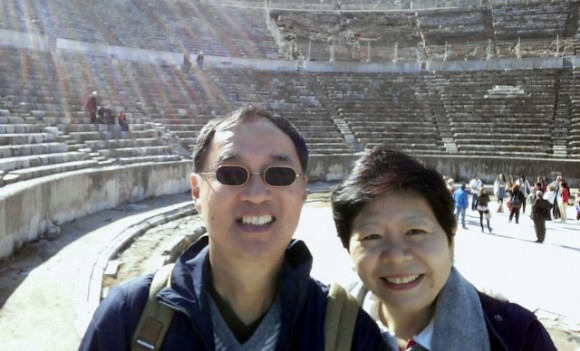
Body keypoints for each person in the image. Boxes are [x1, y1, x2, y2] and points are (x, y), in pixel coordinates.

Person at [78, 106, 386, 350]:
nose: (255, 194)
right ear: (197, 192)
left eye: (278, 174)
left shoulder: (349, 332)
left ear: (303, 191)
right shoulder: (127, 317)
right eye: (230, 173)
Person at [330, 146, 556, 350]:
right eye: (372, 236)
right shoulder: (315, 328)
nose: (397, 256)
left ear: (451, 240)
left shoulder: (520, 338)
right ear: (348, 248)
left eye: (415, 231)